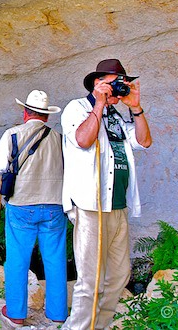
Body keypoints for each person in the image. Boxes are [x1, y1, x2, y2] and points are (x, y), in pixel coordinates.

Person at [61, 59, 152, 330]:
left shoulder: (118, 116)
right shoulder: (77, 108)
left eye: (122, 83)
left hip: (118, 205)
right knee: (90, 279)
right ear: (98, 83)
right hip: (91, 206)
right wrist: (98, 105)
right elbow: (83, 140)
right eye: (115, 83)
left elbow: (144, 141)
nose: (119, 88)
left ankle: (97, 325)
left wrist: (135, 107)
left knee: (120, 274)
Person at [0, 90, 67, 326]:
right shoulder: (59, 138)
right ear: (46, 116)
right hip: (54, 205)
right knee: (55, 259)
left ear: (25, 113)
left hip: (22, 204)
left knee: (17, 259)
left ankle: (16, 313)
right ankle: (58, 313)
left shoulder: (12, 134)